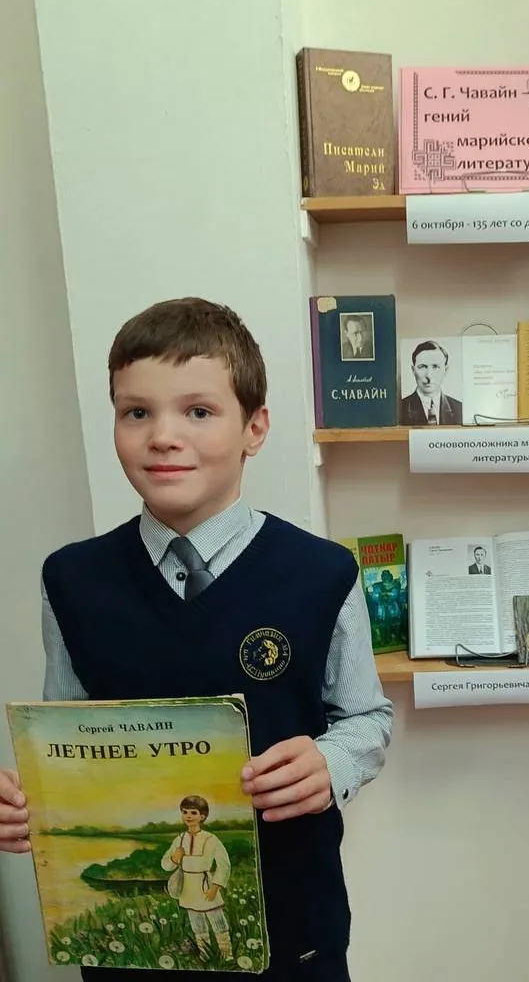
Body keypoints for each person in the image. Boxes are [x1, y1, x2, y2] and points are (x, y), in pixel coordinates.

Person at [0, 297, 393, 982]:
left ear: (254, 428)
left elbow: (367, 719)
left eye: (199, 411)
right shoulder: (71, 580)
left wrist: (331, 763)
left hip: (292, 923)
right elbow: (65, 734)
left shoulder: (323, 572)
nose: (163, 436)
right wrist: (30, 801)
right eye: (136, 412)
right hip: (134, 950)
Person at [161, 795, 233, 962]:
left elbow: (224, 864)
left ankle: (227, 954)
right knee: (196, 922)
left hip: (205, 884)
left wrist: (215, 887)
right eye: (185, 812)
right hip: (187, 886)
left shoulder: (210, 839)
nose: (188, 816)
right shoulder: (180, 839)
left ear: (202, 816)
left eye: (193, 812)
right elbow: (165, 865)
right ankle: (205, 954)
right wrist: (175, 858)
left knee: (217, 919)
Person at [400, 340, 462, 425]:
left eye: (435, 367)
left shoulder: (460, 409)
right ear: (413, 370)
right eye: (422, 367)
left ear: (445, 370)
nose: (429, 375)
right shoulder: (400, 409)